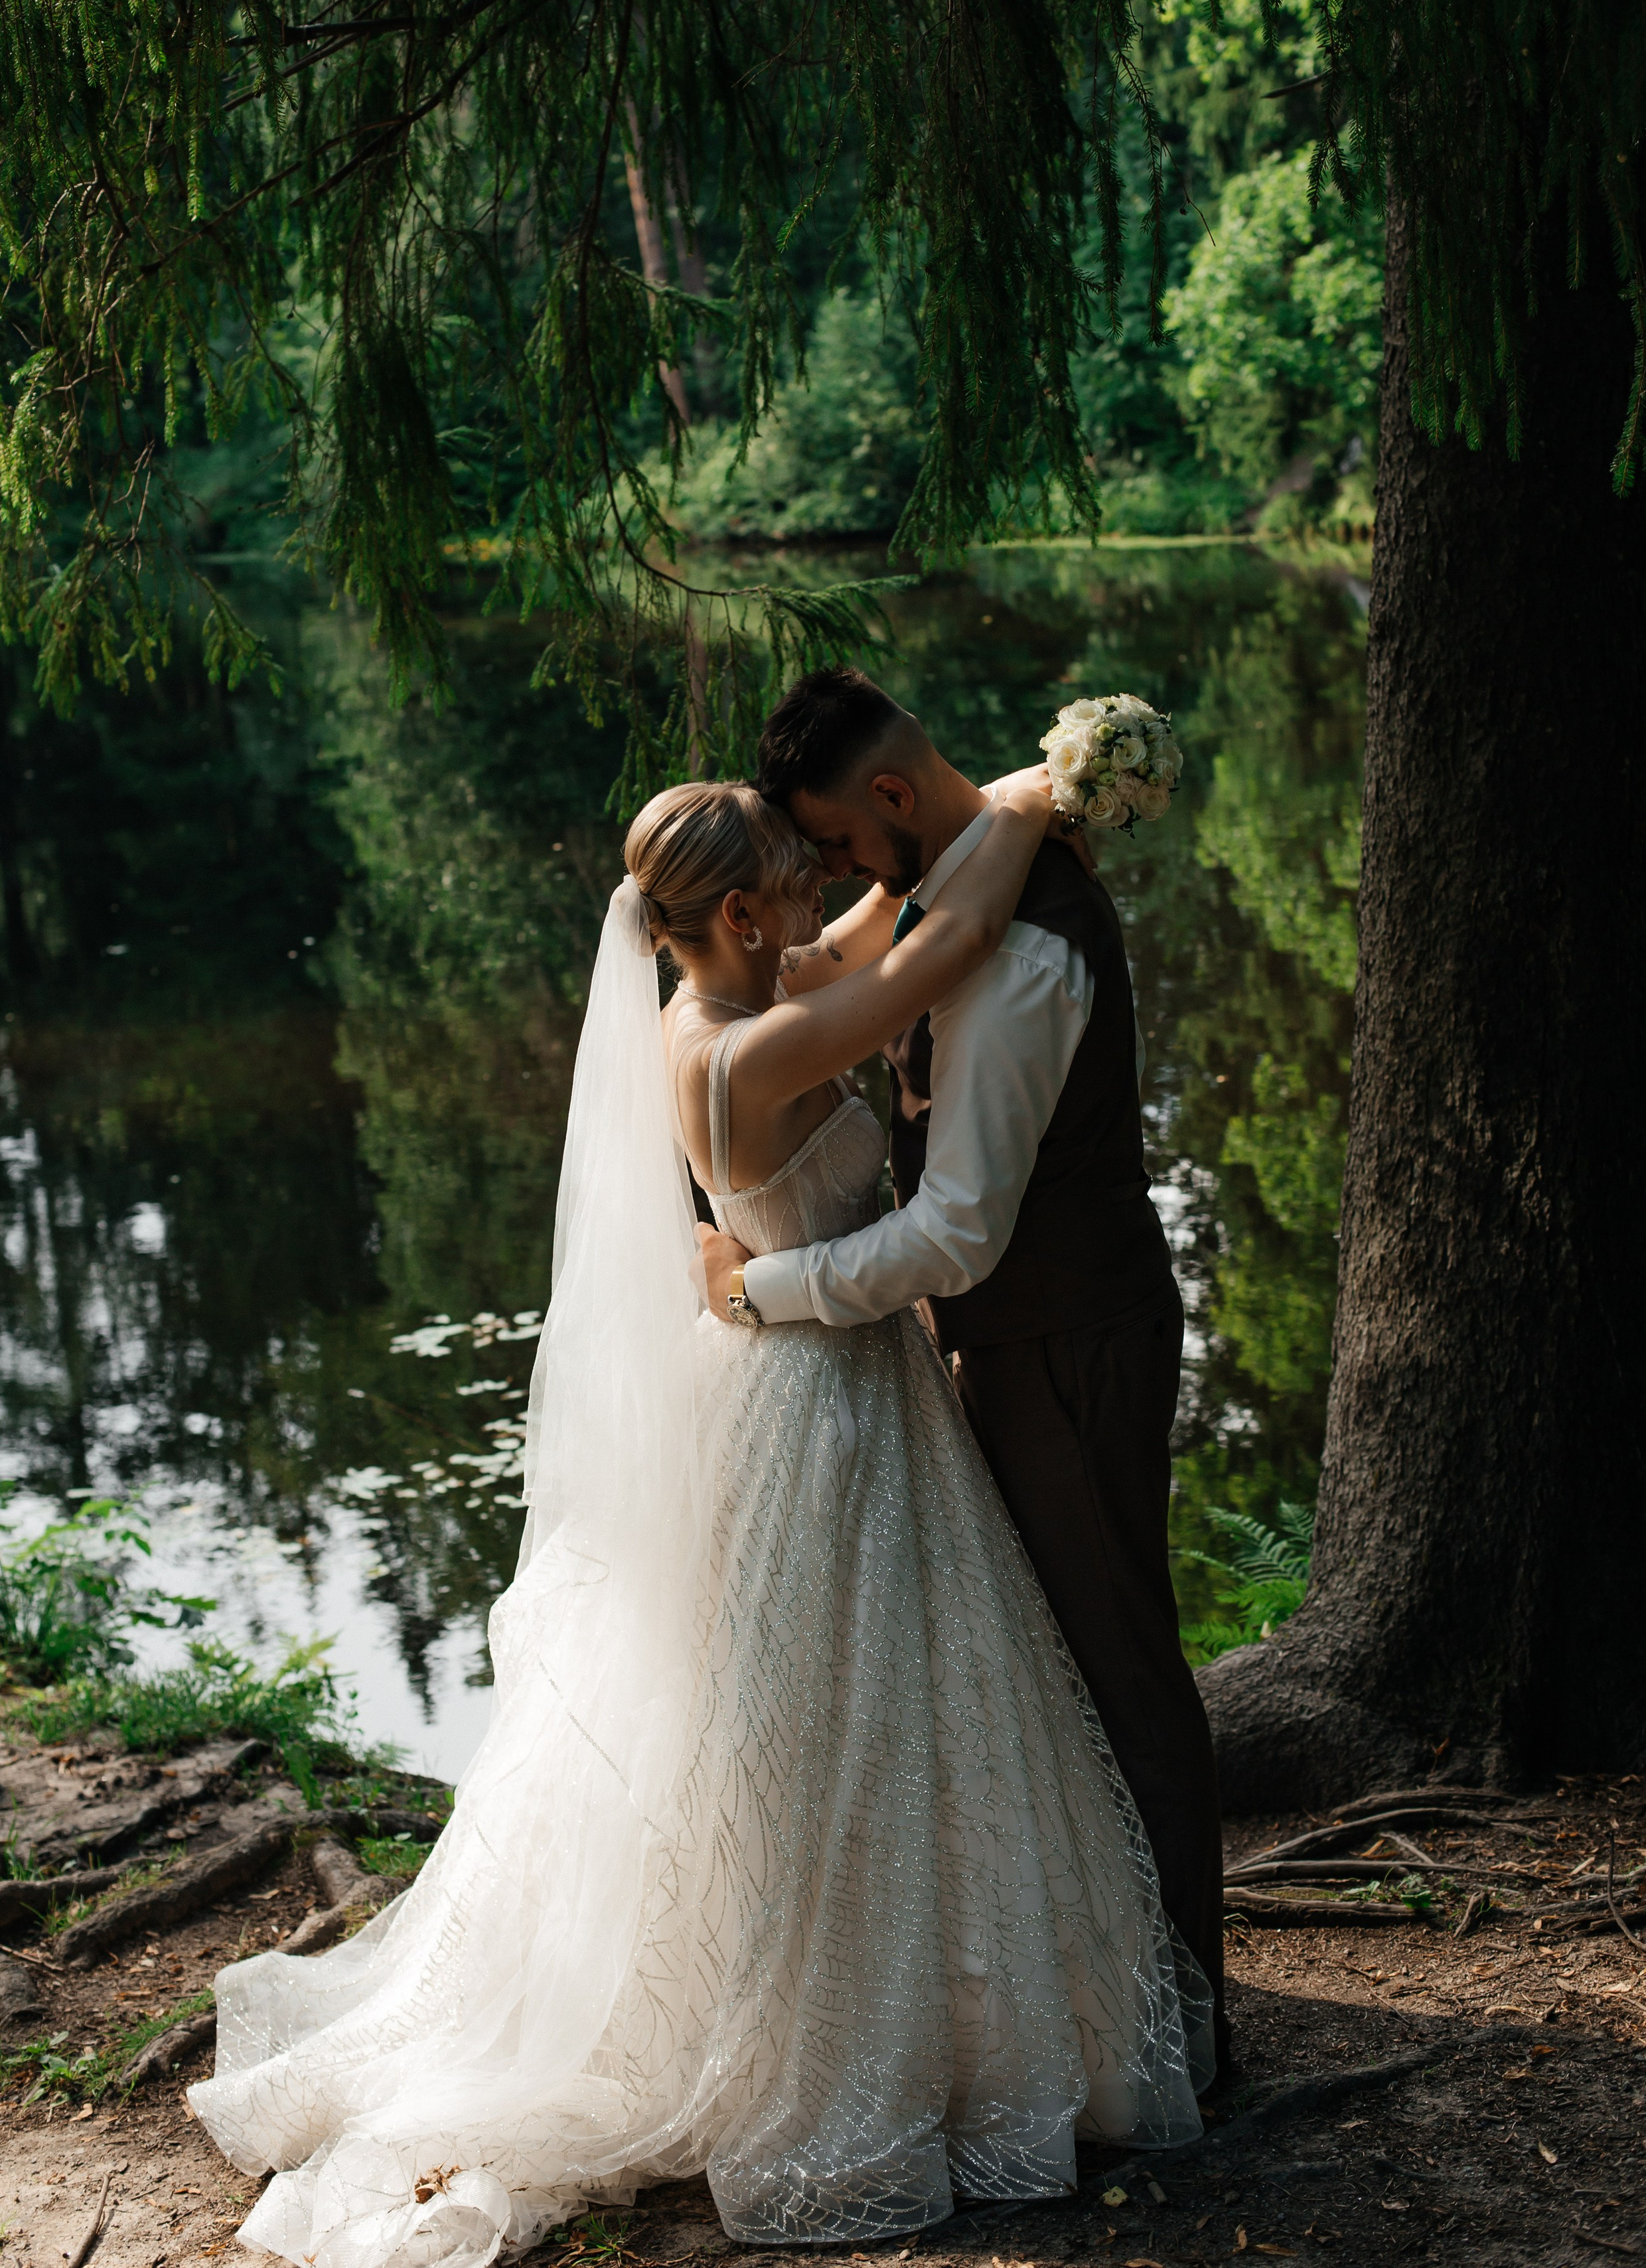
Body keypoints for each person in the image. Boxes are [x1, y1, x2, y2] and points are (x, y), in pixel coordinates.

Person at [189, 773, 1211, 2268]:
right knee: (829, 1731)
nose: (822, 898)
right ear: (736, 916)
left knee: (858, 1720)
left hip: (814, 1385)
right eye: (798, 882)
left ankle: (914, 1998)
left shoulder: (742, 998)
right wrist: (1041, 799)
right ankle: (838, 2032)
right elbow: (944, 936)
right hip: (820, 1403)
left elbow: (884, 920)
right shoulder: (759, 1052)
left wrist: (980, 791)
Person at [693, 668, 1229, 2064]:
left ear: (886, 798)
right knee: (1056, 1661)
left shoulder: (1022, 958)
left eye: (843, 846)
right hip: (1014, 1337)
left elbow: (955, 1236)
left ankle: (1184, 2019)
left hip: (1058, 1338)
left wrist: (756, 1289)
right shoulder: (950, 884)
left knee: (1116, 1661)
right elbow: (937, 864)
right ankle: (1110, 1991)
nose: (838, 878)